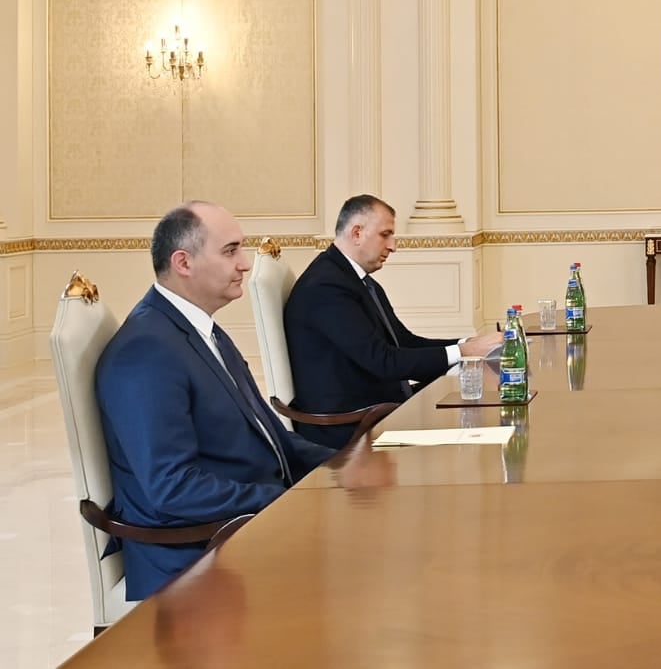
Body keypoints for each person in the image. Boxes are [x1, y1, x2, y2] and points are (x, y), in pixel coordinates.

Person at [95, 201, 335, 600]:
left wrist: (346, 467)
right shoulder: (146, 350)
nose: (245, 263)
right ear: (183, 262)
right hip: (195, 555)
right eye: (230, 251)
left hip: (247, 526)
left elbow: (274, 439)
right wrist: (288, 501)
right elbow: (173, 487)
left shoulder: (199, 329)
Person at [284, 194, 501, 449]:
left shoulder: (352, 279)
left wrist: (470, 345)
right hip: (350, 426)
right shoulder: (326, 288)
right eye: (385, 235)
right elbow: (384, 362)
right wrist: (463, 352)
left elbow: (404, 342)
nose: (393, 246)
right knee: (479, 430)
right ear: (356, 233)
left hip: (378, 408)